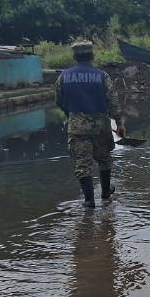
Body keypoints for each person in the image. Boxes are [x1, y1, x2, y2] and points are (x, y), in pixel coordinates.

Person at [55, 41, 125, 208]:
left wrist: (70, 114)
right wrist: (119, 123)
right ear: (92, 56)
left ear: (74, 56)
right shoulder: (102, 76)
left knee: (82, 164)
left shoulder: (63, 76)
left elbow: (59, 101)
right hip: (101, 126)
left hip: (77, 127)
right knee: (104, 159)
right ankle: (106, 192)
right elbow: (113, 101)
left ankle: (89, 200)